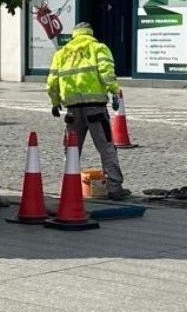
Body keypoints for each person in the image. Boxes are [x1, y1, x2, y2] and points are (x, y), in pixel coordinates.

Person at [46, 21, 131, 200]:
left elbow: (52, 83)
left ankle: (69, 187)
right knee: (106, 148)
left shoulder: (61, 53)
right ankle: (114, 187)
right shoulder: (98, 48)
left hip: (72, 111)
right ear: (90, 33)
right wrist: (114, 91)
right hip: (96, 109)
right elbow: (107, 73)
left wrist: (55, 102)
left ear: (74, 35)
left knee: (71, 150)